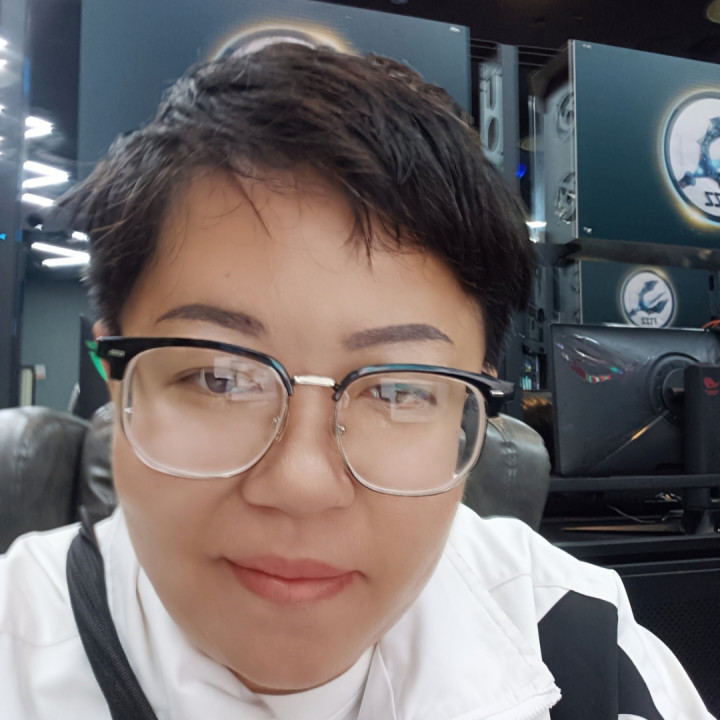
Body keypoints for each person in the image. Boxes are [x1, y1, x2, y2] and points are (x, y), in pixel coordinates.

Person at [0, 43, 714, 720]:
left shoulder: (572, 641)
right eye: (219, 378)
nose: (301, 485)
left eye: (399, 390)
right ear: (118, 384)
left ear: (469, 412)